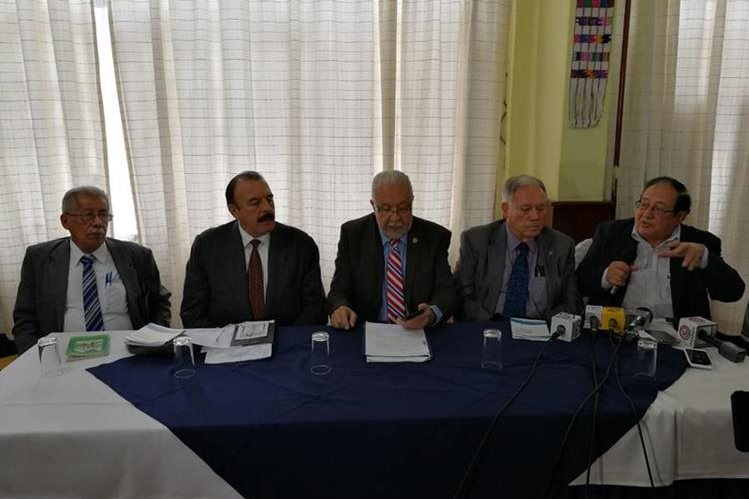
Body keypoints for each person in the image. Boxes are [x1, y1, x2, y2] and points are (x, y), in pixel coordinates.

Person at [12, 186, 171, 354]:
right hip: (61, 355)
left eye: (103, 215)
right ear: (65, 221)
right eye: (88, 215)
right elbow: (25, 319)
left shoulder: (138, 256)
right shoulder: (39, 258)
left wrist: (152, 341)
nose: (97, 223)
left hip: (128, 352)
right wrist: (37, 357)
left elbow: (160, 304)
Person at [577, 176, 745, 321]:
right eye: (643, 205)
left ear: (680, 216)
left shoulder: (700, 243)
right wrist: (606, 276)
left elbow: (732, 293)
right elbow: (580, 281)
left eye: (658, 209)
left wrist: (706, 259)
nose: (646, 214)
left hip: (678, 337)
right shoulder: (611, 233)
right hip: (617, 332)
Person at [181, 171, 326, 328]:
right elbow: (193, 313)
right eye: (255, 203)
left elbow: (315, 310)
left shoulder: (301, 245)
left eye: (269, 199)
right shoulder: (207, 246)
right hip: (225, 348)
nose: (266, 208)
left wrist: (287, 345)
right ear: (234, 211)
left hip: (287, 346)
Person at [327, 170, 457, 330]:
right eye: (386, 209)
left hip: (418, 331)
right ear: (373, 205)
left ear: (412, 201)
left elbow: (446, 291)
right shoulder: (353, 234)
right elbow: (339, 291)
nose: (395, 218)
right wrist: (340, 307)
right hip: (366, 330)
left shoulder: (435, 236)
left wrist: (432, 313)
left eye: (403, 208)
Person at [454, 175, 581, 321]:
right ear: (506, 209)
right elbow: (462, 296)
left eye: (541, 208)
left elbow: (572, 301)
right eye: (526, 209)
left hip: (541, 330)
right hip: (488, 328)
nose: (535, 216)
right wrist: (492, 327)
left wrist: (543, 327)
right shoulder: (477, 241)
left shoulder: (562, 246)